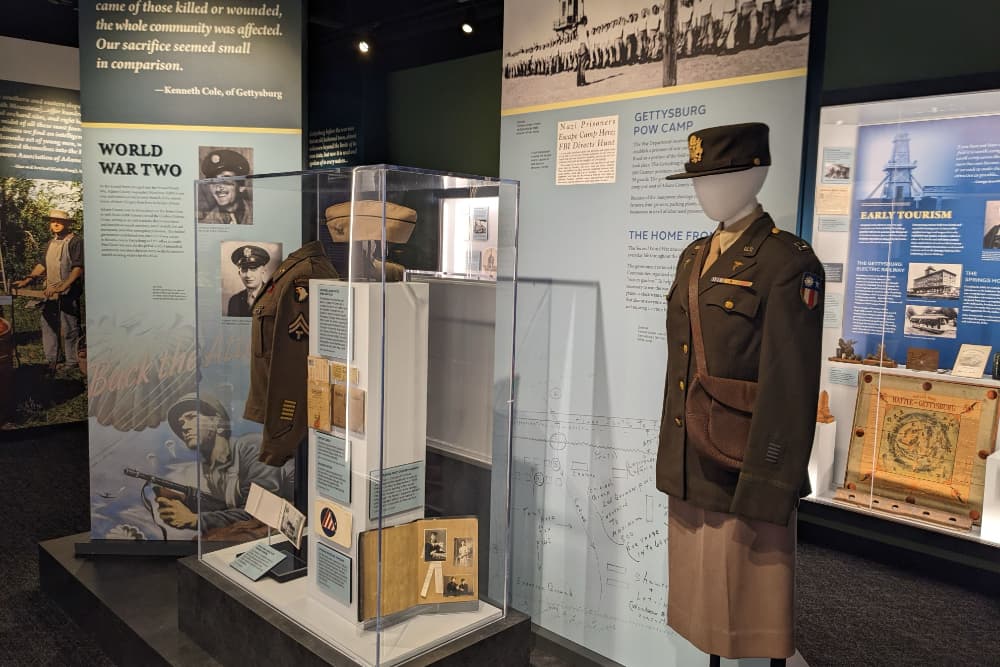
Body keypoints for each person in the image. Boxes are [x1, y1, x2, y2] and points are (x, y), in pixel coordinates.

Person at [154, 393, 294, 533]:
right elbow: (227, 508)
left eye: (191, 417)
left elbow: (261, 511)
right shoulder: (211, 469)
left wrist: (194, 519)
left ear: (218, 423)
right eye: (181, 423)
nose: (184, 427)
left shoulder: (252, 448)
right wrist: (186, 500)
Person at [12, 209, 83, 374]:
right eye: (52, 221)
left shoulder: (75, 241)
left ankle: (72, 362)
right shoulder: (50, 243)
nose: (55, 224)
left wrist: (66, 285)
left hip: (68, 291)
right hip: (50, 290)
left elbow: (78, 267)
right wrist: (27, 280)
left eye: (59, 221)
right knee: (48, 323)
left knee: (70, 326)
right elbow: (41, 265)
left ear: (67, 223)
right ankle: (53, 359)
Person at [198, 149, 253, 225]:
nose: (218, 187)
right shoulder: (205, 223)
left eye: (226, 180)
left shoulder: (259, 213)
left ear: (241, 186)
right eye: (213, 181)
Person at [227, 244, 270, 317]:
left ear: (263, 270)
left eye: (253, 269)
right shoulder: (234, 300)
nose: (248, 275)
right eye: (244, 269)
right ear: (239, 273)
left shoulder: (274, 296)